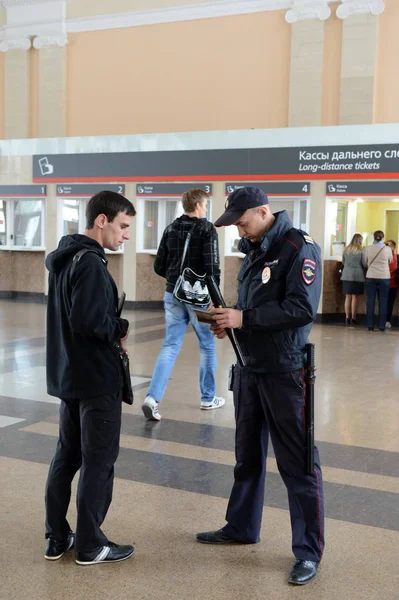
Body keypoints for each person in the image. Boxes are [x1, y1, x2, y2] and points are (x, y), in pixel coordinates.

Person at [195, 187, 324, 586]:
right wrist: (228, 320)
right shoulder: (254, 248)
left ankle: (308, 552)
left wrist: (244, 318)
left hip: (286, 372)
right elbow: (250, 305)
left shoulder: (297, 247)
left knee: (298, 464)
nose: (239, 228)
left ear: (264, 211)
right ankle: (241, 527)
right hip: (250, 368)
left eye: (242, 220)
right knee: (247, 456)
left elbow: (301, 309)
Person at [44, 191, 136, 566]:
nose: (126, 235)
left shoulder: (66, 259)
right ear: (102, 220)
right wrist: (120, 326)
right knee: (98, 461)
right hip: (97, 380)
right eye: (123, 226)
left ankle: (56, 536)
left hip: (70, 376)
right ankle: (90, 544)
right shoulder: (91, 264)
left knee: (66, 457)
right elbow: (89, 321)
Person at [142, 188, 224, 421]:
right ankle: (208, 398)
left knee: (169, 346)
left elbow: (159, 266)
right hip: (199, 298)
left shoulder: (170, 229)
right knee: (207, 346)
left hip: (173, 295)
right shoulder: (207, 229)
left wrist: (175, 280)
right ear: (198, 204)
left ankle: (152, 398)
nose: (206, 208)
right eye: (205, 204)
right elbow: (212, 269)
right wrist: (215, 301)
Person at [362, 230, 392, 332]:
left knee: (370, 300)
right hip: (384, 276)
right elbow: (390, 261)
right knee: (383, 301)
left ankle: (370, 325)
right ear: (383, 238)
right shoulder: (387, 249)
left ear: (373, 237)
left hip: (371, 276)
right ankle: (381, 326)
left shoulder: (368, 248)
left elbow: (365, 263)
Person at [341, 233, 364, 326]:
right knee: (355, 297)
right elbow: (364, 263)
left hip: (346, 274)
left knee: (348, 296)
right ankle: (354, 318)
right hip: (358, 275)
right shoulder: (362, 250)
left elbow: (343, 262)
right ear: (360, 241)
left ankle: (347, 317)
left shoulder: (346, 249)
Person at [385, 240, 398, 328]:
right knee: (389, 303)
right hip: (392, 283)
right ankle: (387, 321)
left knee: (384, 303)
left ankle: (384, 320)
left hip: (384, 282)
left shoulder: (383, 256)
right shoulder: (395, 256)